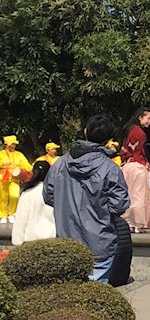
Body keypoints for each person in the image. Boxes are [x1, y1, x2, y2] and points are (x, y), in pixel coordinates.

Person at [44, 115, 130, 283]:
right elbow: (119, 204)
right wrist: (99, 210)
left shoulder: (60, 164)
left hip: (67, 242)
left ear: (85, 132)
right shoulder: (110, 168)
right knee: (95, 301)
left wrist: (66, 204)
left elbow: (49, 195)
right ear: (108, 140)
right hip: (100, 243)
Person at [120, 106, 150, 233]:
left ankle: (128, 222)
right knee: (140, 195)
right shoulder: (140, 133)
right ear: (140, 117)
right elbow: (140, 153)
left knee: (128, 194)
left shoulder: (129, 130)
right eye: (148, 118)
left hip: (127, 166)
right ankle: (138, 223)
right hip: (138, 167)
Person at [11, 158, 56, 246]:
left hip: (31, 241)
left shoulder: (28, 193)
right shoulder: (57, 192)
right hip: (53, 239)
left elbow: (21, 218)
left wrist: (17, 241)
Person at [0, 135, 32, 223]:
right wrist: (2, 164)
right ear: (6, 144)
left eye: (14, 144)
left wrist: (32, 169)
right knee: (3, 198)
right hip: (3, 179)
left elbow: (26, 164)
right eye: (11, 144)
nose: (13, 146)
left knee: (15, 196)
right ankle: (2, 215)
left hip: (15, 179)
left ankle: (12, 214)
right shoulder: (1, 154)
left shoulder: (19, 154)